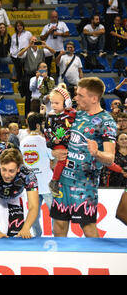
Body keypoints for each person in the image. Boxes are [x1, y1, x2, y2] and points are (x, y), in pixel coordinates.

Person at [50, 77, 117, 238]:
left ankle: (96, 261)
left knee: (87, 227)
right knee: (58, 225)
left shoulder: (106, 121)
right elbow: (58, 138)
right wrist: (54, 152)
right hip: (63, 181)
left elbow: (110, 158)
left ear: (94, 98)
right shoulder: (73, 115)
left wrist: (96, 153)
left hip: (85, 185)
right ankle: (60, 262)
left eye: (80, 95)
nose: (75, 98)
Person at [0, 148, 39, 238]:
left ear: (18, 169)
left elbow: (33, 206)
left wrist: (26, 228)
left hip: (16, 196)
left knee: (17, 232)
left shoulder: (28, 175)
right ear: (0, 165)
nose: (7, 175)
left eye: (11, 171)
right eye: (4, 169)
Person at [19, 113, 54, 237]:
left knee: (33, 213)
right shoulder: (45, 142)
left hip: (31, 184)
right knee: (54, 214)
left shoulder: (23, 142)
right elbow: (53, 158)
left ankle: (37, 236)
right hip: (47, 184)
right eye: (43, 124)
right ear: (39, 125)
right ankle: (58, 237)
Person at [43, 85, 77, 194]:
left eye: (56, 103)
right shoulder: (50, 115)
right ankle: (54, 181)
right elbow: (47, 130)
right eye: (52, 103)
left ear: (66, 102)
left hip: (70, 141)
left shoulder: (73, 113)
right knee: (62, 157)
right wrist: (54, 139)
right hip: (56, 142)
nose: (53, 105)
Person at [39, 10, 69, 77]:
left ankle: (59, 80)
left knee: (59, 66)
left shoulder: (62, 24)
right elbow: (42, 38)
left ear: (58, 17)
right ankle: (47, 80)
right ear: (50, 17)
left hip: (59, 48)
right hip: (48, 48)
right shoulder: (46, 26)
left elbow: (67, 34)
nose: (54, 18)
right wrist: (49, 32)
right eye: (53, 17)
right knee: (47, 66)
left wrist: (59, 33)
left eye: (56, 17)